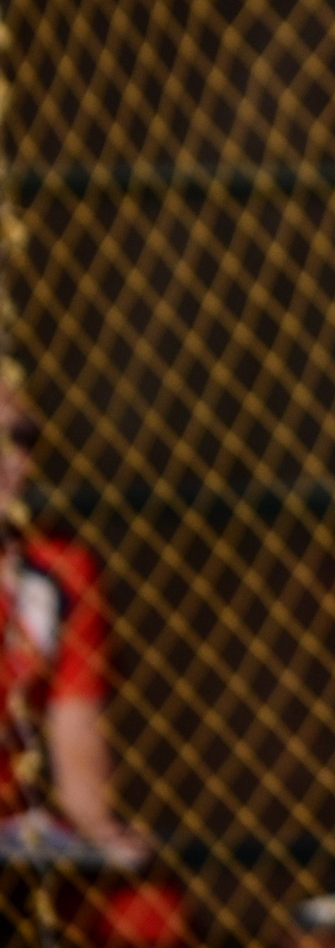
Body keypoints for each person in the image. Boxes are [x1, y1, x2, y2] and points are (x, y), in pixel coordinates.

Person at [0, 378, 184, 948]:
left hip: (15, 838)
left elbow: (75, 735)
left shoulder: (59, 571)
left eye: (21, 437)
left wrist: (99, 838)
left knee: (148, 915)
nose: (9, 457)